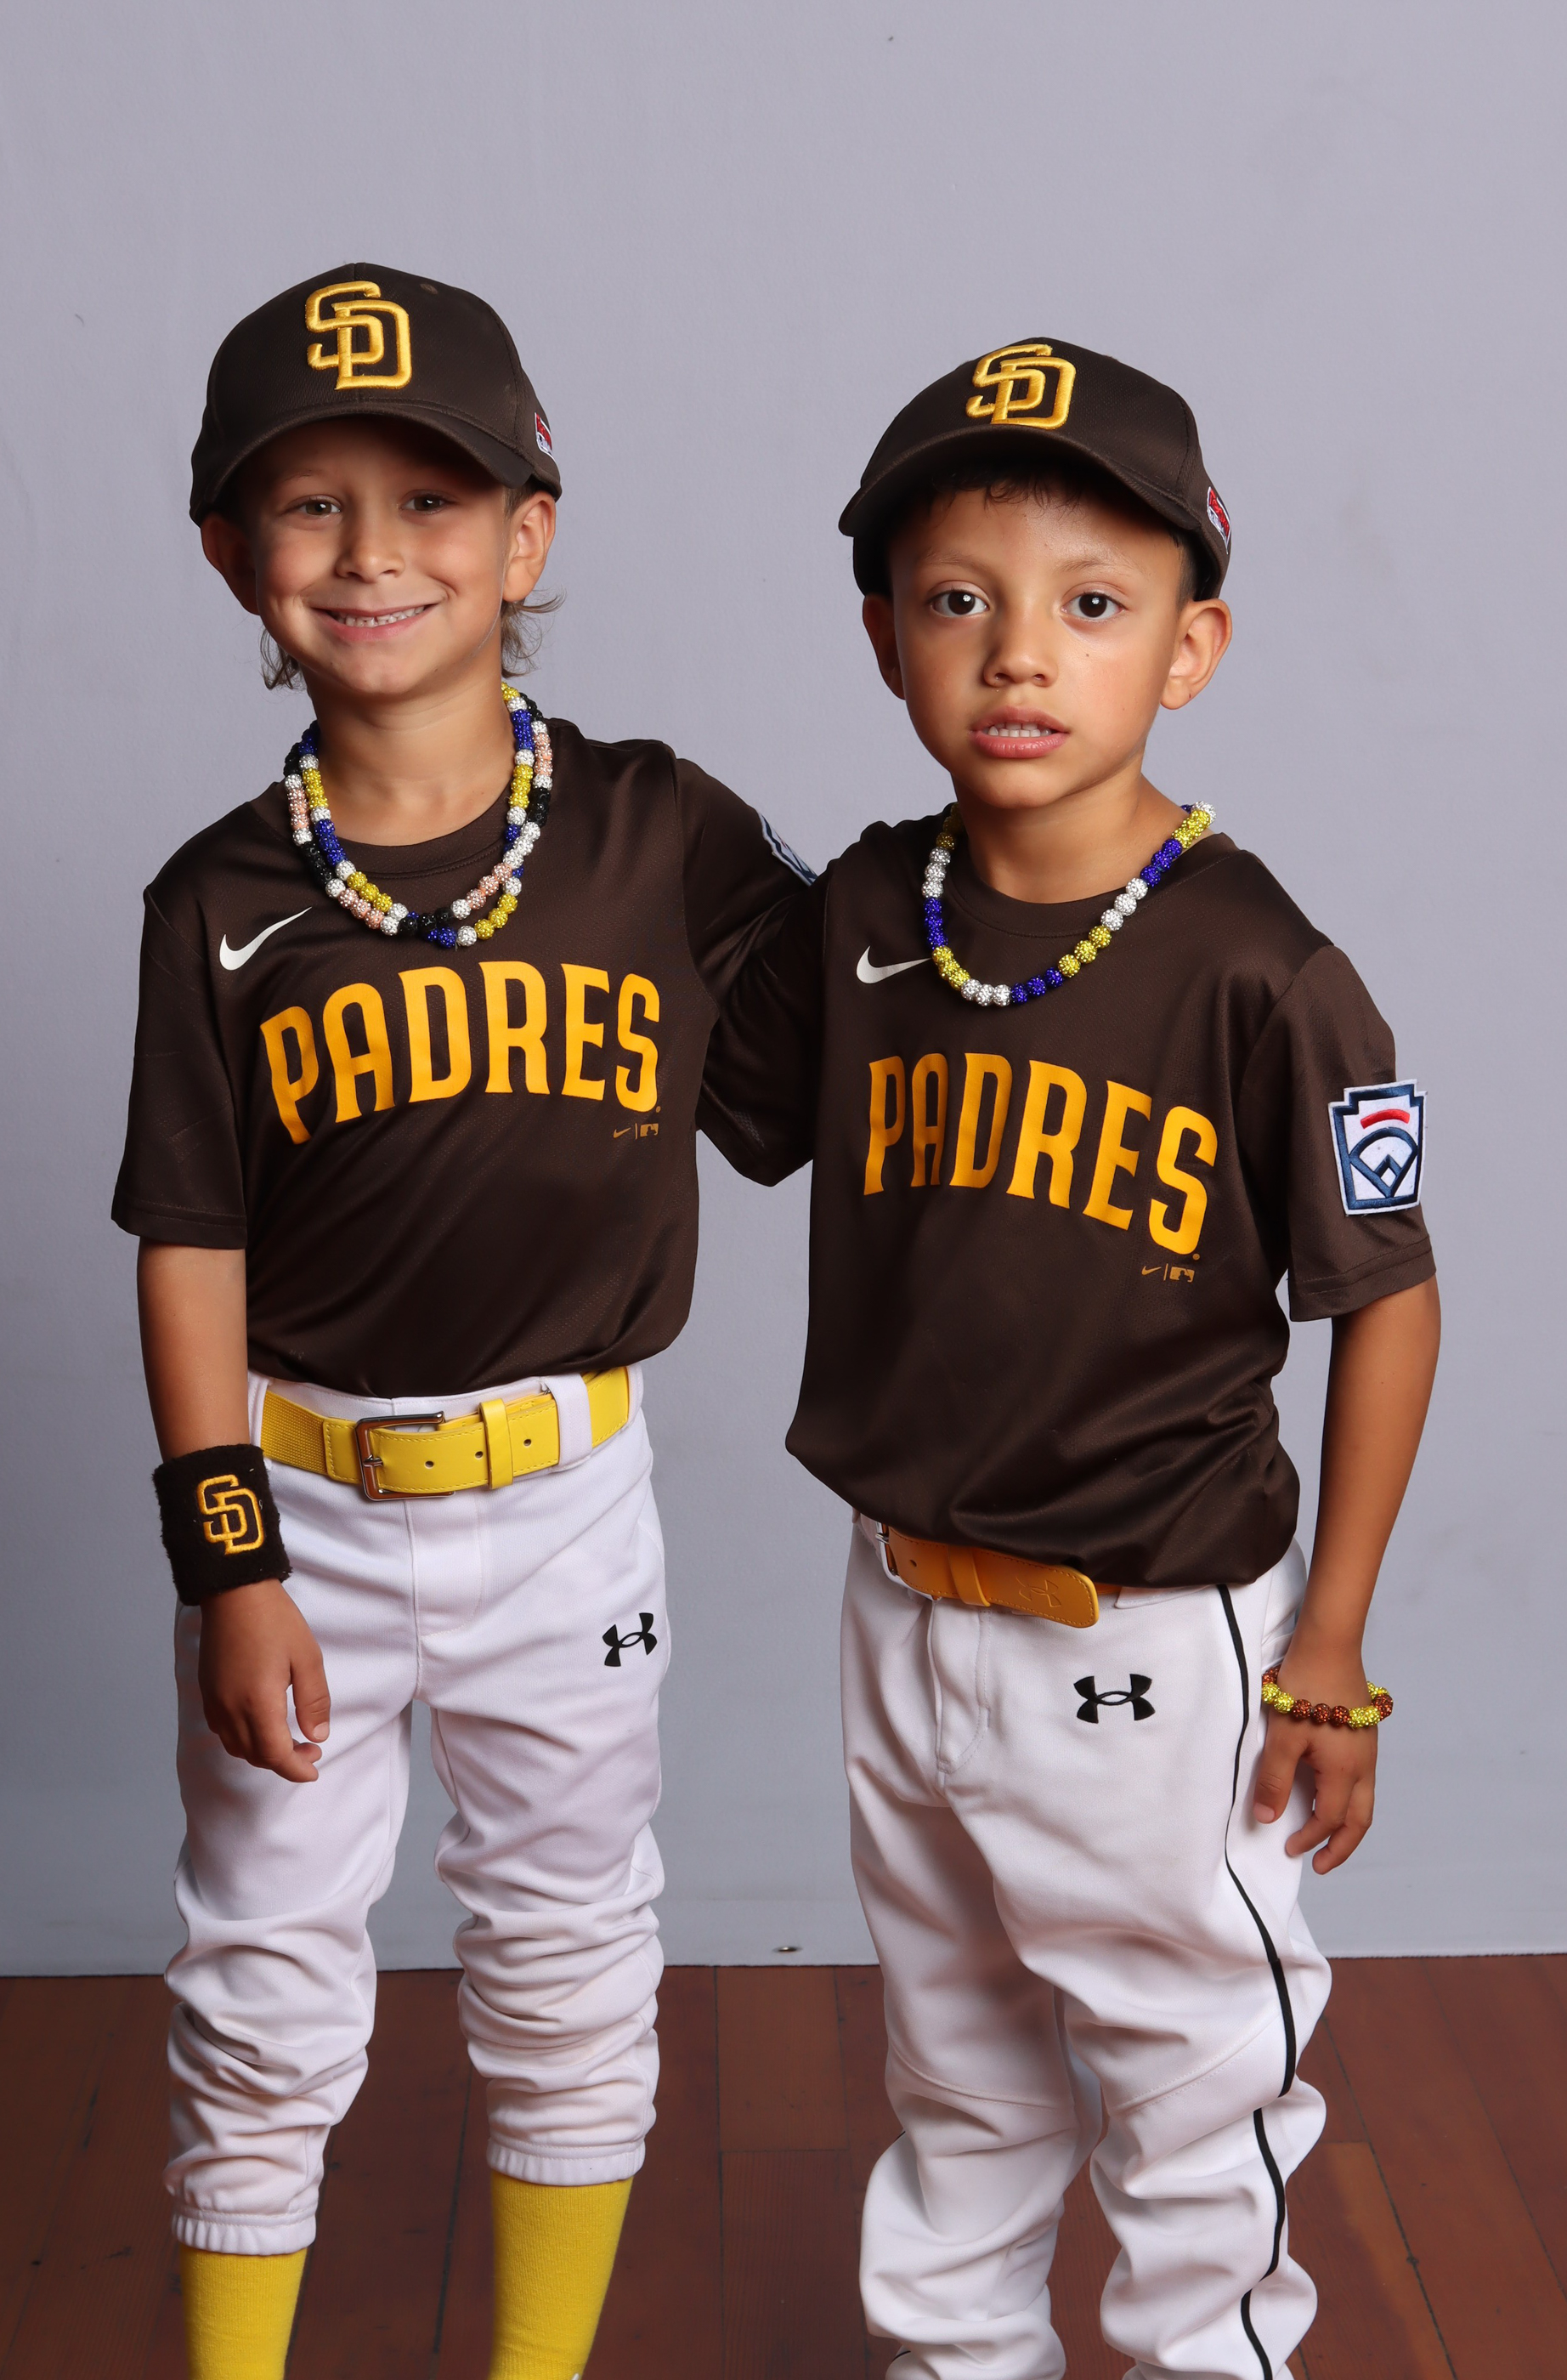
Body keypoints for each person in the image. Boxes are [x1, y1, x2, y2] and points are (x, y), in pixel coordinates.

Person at [699, 337, 1440, 2380]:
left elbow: (1385, 1291)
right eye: (959, 597)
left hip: (1157, 1632)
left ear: (1190, 648)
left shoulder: (1263, 964)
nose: (1019, 651)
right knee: (956, 2082)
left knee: (1194, 2097)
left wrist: (1333, 1641)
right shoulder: (872, 906)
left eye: (1093, 603)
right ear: (884, 639)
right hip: (899, 1605)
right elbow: (695, 1088)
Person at [113, 264, 809, 2380]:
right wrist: (227, 1564)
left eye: (429, 497)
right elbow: (189, 1245)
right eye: (309, 504)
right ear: (231, 552)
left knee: (570, 1949)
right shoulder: (222, 897)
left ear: (527, 534)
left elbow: (853, 1069)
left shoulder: (658, 827)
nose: (372, 551)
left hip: (568, 1501)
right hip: (305, 1502)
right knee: (261, 1968)